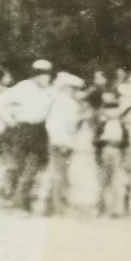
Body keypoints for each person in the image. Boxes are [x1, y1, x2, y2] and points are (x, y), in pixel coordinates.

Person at [0, 60, 56, 211]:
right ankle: (16, 199)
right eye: (42, 73)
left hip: (40, 130)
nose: (46, 77)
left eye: (47, 74)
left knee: (32, 167)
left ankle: (20, 201)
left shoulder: (51, 90)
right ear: (35, 74)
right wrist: (9, 120)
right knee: (20, 166)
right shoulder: (24, 87)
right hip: (23, 128)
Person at [43, 73, 87, 216]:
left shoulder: (60, 102)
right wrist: (63, 142)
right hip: (62, 142)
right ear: (67, 88)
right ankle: (57, 207)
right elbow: (61, 126)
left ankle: (52, 206)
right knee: (59, 175)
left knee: (59, 174)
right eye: (74, 89)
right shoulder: (68, 104)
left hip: (60, 141)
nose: (76, 92)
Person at [93, 91, 131, 217]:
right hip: (105, 152)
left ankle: (115, 209)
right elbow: (95, 141)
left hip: (117, 152)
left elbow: (126, 141)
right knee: (103, 182)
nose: (112, 113)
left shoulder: (121, 125)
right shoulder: (102, 124)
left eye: (114, 109)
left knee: (116, 182)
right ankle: (100, 207)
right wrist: (100, 151)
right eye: (109, 110)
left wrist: (122, 151)